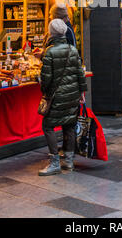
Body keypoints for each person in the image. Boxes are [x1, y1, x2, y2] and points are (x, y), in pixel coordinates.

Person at [38, 19, 87, 176]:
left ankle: (54, 163)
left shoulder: (49, 52)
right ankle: (69, 161)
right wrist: (81, 92)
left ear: (51, 33)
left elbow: (46, 79)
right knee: (69, 126)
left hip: (56, 96)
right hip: (72, 95)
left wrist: (44, 90)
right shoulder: (73, 49)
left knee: (48, 125)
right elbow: (80, 73)